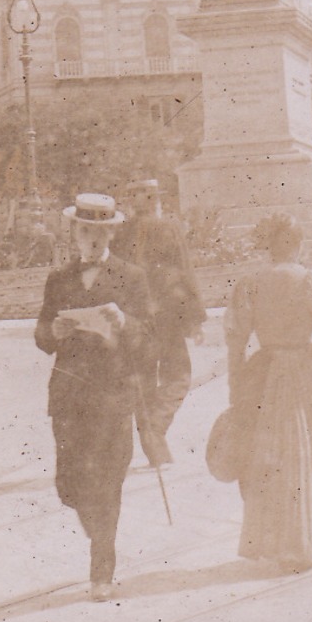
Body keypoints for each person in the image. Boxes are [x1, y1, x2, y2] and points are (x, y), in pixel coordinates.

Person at [225, 213, 312, 572]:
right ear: (297, 244)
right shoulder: (311, 280)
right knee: (304, 450)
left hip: (263, 370)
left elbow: (234, 340)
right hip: (301, 370)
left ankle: (276, 544)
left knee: (270, 457)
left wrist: (237, 384)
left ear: (270, 246)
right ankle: (308, 540)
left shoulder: (249, 283)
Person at [35, 193, 151, 602]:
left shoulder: (131, 277)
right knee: (71, 486)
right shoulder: (59, 279)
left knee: (107, 483)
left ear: (112, 233)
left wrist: (126, 322)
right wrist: (55, 332)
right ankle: (99, 536)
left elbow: (149, 336)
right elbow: (41, 335)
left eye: (102, 232)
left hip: (111, 393)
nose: (94, 239)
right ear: (75, 232)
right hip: (68, 394)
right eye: (86, 231)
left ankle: (102, 565)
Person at [116, 181, 204, 467]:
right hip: (166, 317)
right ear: (157, 200)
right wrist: (193, 319)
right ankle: (157, 425)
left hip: (133, 318)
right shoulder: (169, 228)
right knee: (178, 375)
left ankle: (156, 448)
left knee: (143, 381)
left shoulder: (121, 232)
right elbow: (185, 272)